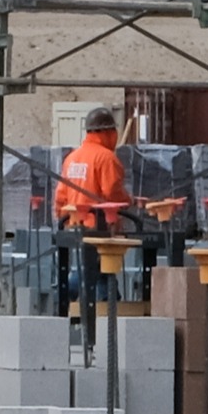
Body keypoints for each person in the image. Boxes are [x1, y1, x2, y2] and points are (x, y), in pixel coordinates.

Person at [53, 105, 133, 309]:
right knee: (94, 271)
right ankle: (83, 301)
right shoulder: (106, 158)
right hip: (100, 227)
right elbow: (112, 193)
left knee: (96, 272)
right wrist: (130, 201)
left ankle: (69, 299)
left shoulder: (72, 158)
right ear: (107, 132)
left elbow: (61, 196)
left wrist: (64, 219)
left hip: (75, 225)